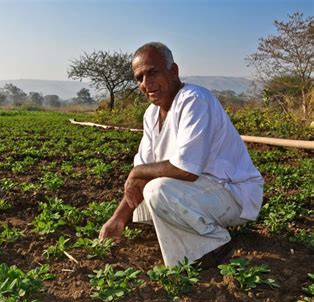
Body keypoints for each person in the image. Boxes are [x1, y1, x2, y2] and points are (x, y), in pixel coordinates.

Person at [98, 42, 263, 268]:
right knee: (145, 197)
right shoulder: (151, 114)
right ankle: (194, 227)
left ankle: (213, 243)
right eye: (139, 78)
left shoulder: (194, 99)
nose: (146, 83)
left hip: (232, 194)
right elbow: (141, 176)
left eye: (152, 72)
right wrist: (117, 219)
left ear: (173, 71)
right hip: (203, 192)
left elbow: (186, 170)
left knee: (157, 190)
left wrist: (137, 171)